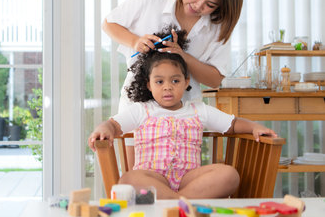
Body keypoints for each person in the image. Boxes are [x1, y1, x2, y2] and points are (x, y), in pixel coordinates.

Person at [88, 29, 277, 199]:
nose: (168, 87)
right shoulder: (142, 110)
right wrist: (103, 129)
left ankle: (173, 202)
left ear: (186, 82)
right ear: (149, 85)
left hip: (189, 179)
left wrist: (254, 127)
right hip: (153, 178)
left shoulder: (198, 110)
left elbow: (233, 124)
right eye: (160, 82)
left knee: (229, 175)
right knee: (129, 179)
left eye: (175, 80)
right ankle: (182, 203)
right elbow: (113, 125)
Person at [102, 0, 244, 168]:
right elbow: (109, 23)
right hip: (137, 100)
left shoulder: (218, 27)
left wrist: (182, 56)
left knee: (182, 172)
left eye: (210, 5)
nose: (198, 6)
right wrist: (135, 41)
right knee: (135, 178)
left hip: (184, 112)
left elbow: (215, 79)